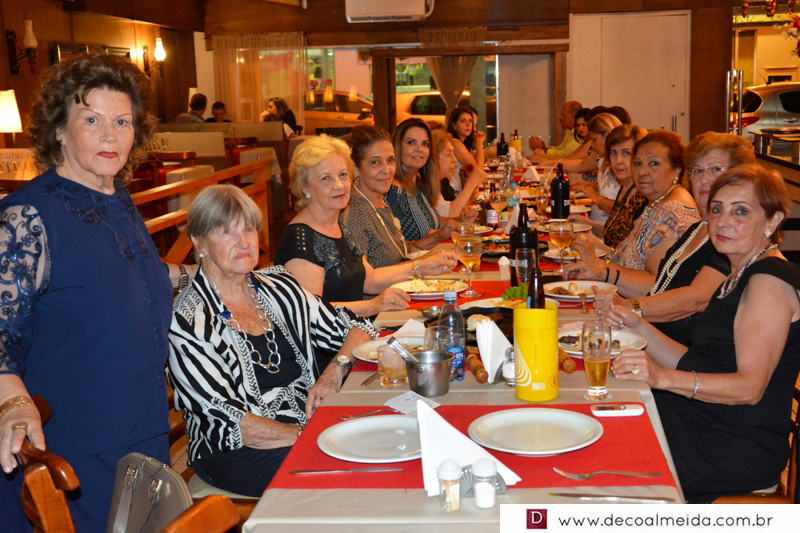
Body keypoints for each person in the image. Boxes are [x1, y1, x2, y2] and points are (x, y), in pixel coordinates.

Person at [0, 52, 190, 530]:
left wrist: (210, 274)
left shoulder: (115, 195)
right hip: (77, 447)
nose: (111, 135)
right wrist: (13, 402)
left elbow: (137, 275)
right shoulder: (27, 217)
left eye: (122, 121)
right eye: (92, 120)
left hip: (140, 425)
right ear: (59, 131)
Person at [606, 165, 800, 502]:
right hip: (705, 421)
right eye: (717, 209)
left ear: (773, 221)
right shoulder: (739, 273)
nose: (722, 221)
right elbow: (700, 362)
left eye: (740, 211)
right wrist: (636, 325)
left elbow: (749, 388)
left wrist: (662, 378)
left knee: (606, 454)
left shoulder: (768, 282)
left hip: (728, 447)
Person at [168, 184, 375, 497]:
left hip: (304, 423)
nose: (243, 242)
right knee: (343, 473)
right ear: (199, 243)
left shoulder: (278, 287)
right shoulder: (189, 318)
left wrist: (335, 370)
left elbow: (358, 327)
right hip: (233, 449)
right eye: (226, 231)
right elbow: (233, 422)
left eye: (248, 229)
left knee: (376, 443)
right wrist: (312, 434)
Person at [591, 132, 756, 345]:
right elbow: (661, 285)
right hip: (655, 341)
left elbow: (695, 299)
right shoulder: (697, 229)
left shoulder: (731, 237)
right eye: (697, 171)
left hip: (688, 352)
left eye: (716, 169)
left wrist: (629, 306)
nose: (704, 179)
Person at [275, 135, 456, 317]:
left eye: (343, 175)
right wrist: (373, 306)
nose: (339, 185)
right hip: (338, 335)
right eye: (325, 178)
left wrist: (422, 267)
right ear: (304, 187)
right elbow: (309, 313)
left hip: (358, 327)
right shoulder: (299, 238)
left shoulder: (336, 225)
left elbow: (370, 280)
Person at [569, 130, 700, 275]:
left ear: (676, 171)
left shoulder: (673, 212)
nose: (642, 171)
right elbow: (633, 261)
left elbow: (654, 282)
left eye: (654, 163)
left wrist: (597, 264)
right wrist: (602, 250)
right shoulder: (657, 201)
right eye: (638, 163)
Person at [569, 124, 648, 246]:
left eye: (626, 153)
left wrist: (595, 247)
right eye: (614, 153)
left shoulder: (642, 196)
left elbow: (630, 253)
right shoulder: (625, 189)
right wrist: (587, 223)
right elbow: (615, 234)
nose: (618, 161)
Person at [387, 118, 457, 243]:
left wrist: (459, 222)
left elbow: (429, 220)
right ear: (398, 147)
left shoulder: (419, 181)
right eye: (411, 142)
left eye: (425, 144)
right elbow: (394, 245)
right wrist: (436, 236)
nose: (419, 149)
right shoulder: (394, 190)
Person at [571, 113, 624, 226]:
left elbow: (624, 211)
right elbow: (610, 191)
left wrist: (595, 198)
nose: (592, 146)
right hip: (596, 226)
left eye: (594, 140)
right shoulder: (603, 161)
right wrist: (590, 186)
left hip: (607, 230)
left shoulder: (621, 167)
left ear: (607, 135)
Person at [432, 129, 483, 219]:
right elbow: (451, 213)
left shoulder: (438, 182)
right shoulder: (427, 185)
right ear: (433, 158)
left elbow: (442, 218)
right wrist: (471, 183)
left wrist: (469, 199)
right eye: (448, 154)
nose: (455, 159)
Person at [445, 106, 486, 190]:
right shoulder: (455, 143)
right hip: (455, 192)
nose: (468, 125)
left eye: (470, 121)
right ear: (454, 125)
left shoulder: (464, 143)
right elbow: (478, 171)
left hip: (462, 189)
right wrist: (479, 143)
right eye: (463, 121)